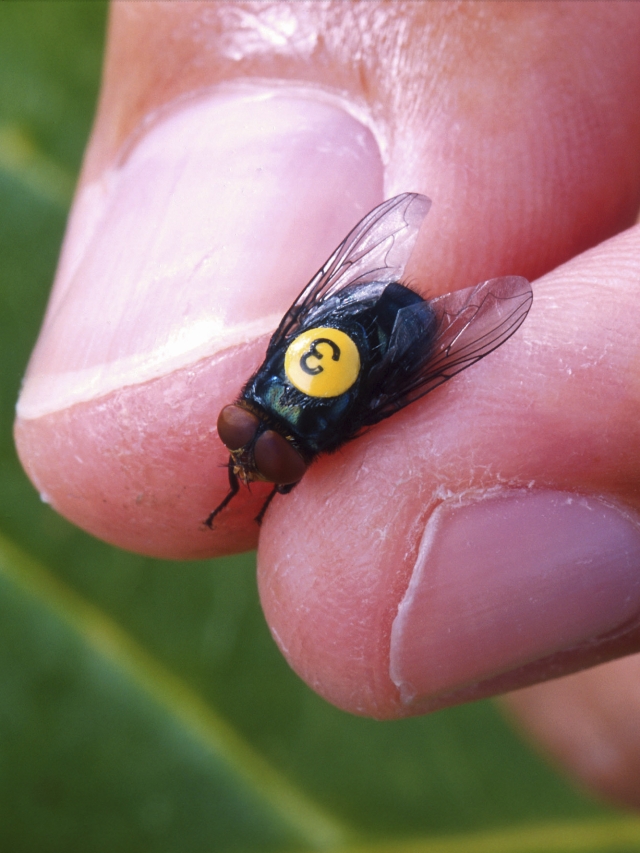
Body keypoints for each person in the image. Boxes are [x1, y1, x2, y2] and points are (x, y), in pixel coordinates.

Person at [14, 1, 640, 808]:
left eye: (253, 448)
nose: (247, 455)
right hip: (368, 313)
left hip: (404, 328)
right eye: (254, 446)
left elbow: (405, 372)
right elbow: (321, 303)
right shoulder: (271, 409)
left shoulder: (297, 421)